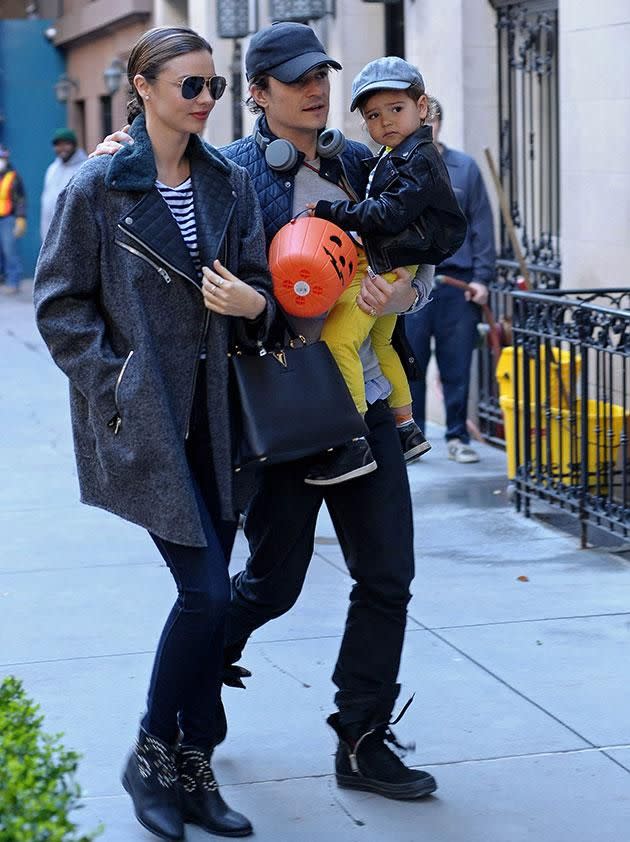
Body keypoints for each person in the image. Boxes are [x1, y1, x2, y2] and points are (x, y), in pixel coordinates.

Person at [94, 20, 438, 803]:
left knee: (387, 576)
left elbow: (417, 257)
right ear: (257, 94)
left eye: (321, 75)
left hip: (363, 403)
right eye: (294, 79)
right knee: (270, 585)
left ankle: (362, 737)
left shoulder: (365, 164)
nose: (316, 90)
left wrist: (406, 294)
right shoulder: (233, 173)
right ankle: (203, 668)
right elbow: (164, 216)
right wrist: (119, 151)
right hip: (280, 414)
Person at [34, 25, 276, 841]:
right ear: (143, 86)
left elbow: (254, 276)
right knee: (206, 592)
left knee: (209, 602)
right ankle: (150, 755)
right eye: (191, 86)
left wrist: (253, 298)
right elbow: (60, 305)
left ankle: (194, 767)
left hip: (218, 416)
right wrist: (120, 383)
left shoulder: (225, 180)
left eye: (214, 85)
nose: (207, 100)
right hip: (148, 421)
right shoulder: (98, 185)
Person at [305, 57, 467, 485]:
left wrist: (330, 211)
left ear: (422, 107)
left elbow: (391, 213)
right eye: (373, 115)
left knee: (340, 339)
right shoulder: (394, 155)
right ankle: (405, 426)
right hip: (396, 260)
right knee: (380, 343)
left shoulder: (418, 158)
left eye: (396, 109)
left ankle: (352, 439)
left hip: (391, 263)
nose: (385, 121)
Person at [405, 98, 496, 463]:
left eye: (431, 120)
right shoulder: (400, 167)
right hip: (411, 283)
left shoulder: (465, 168)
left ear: (437, 122)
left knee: (456, 362)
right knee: (410, 361)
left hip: (456, 284)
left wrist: (483, 278)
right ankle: (413, 437)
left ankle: (458, 436)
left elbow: (482, 227)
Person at [40, 128, 87, 241]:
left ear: (74, 145)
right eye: (58, 145)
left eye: (66, 144)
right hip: (50, 235)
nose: (62, 148)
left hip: (74, 235)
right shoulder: (52, 169)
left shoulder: (84, 168)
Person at [0, 144, 26, 295]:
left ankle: (13, 281)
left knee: (9, 251)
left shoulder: (13, 177)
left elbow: (20, 199)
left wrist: (21, 218)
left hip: (8, 219)